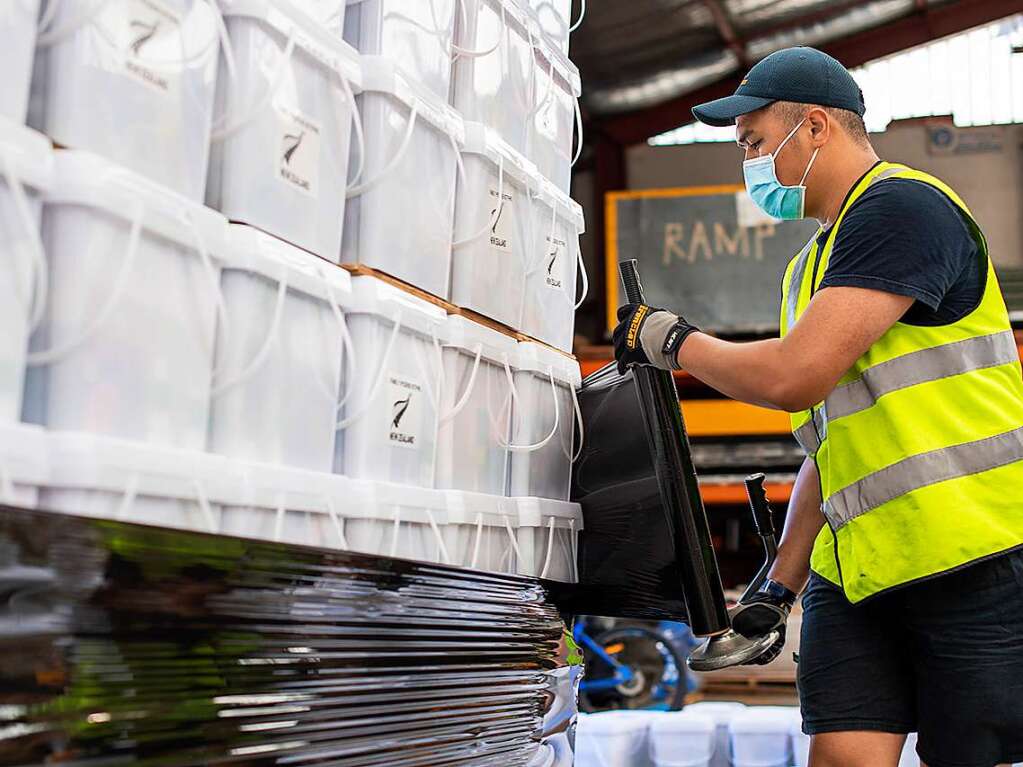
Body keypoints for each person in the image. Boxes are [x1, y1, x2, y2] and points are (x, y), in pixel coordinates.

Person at [611, 47, 1023, 767]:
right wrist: (777, 586)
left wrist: (671, 341)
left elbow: (793, 376)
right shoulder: (808, 266)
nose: (748, 161)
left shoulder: (902, 206)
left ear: (814, 126)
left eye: (753, 141)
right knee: (840, 756)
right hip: (859, 567)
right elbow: (827, 446)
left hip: (969, 553)